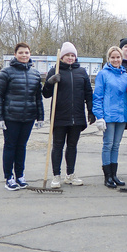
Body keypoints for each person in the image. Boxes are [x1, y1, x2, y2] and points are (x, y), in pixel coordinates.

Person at [42, 42, 95, 189]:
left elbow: (88, 93)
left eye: (72, 55)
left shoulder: (82, 72)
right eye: (67, 55)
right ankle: (56, 176)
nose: (70, 58)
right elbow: (46, 94)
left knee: (72, 146)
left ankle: (70, 174)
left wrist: (90, 111)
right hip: (59, 116)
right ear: (62, 57)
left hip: (77, 117)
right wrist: (50, 82)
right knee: (58, 146)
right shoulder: (55, 70)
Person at [0, 42, 44, 191]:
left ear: (30, 54)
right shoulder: (6, 73)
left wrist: (40, 117)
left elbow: (38, 98)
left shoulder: (35, 74)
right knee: (10, 146)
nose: (24, 55)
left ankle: (20, 175)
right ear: (15, 54)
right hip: (11, 117)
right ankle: (9, 177)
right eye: (21, 53)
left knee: (22, 146)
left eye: (26, 53)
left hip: (28, 117)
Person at [93, 46, 127, 189]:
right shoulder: (103, 74)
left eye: (118, 57)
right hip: (108, 115)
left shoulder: (125, 75)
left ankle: (114, 174)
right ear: (108, 59)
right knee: (108, 145)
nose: (116, 60)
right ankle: (107, 176)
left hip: (122, 115)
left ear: (122, 58)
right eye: (113, 57)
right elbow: (98, 97)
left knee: (116, 145)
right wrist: (99, 116)